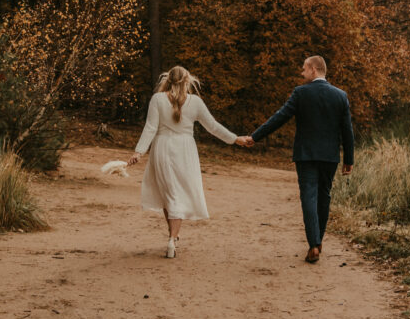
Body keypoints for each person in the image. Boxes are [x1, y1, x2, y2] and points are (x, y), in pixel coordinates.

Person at [127, 65, 250, 258]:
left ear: (167, 80)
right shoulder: (195, 102)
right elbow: (213, 127)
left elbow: (150, 127)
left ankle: (172, 238)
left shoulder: (157, 99)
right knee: (177, 194)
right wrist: (235, 139)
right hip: (185, 150)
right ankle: (172, 239)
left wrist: (139, 151)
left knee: (169, 192)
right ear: (188, 81)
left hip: (162, 147)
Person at [243, 55, 354, 264]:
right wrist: (349, 158)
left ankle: (313, 244)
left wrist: (255, 136)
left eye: (304, 69)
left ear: (313, 69)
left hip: (306, 154)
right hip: (330, 156)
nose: (302, 73)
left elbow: (280, 117)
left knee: (309, 197)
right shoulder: (340, 96)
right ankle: (318, 240)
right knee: (324, 196)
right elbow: (347, 131)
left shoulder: (301, 93)